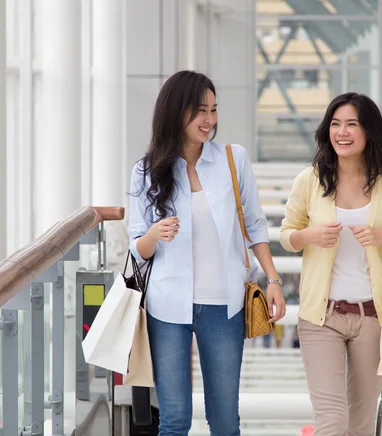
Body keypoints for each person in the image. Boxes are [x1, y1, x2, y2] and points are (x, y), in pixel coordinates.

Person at [128, 70, 286, 436]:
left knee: (226, 421)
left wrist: (273, 279)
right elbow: (137, 248)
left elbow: (256, 227)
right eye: (201, 111)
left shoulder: (234, 159)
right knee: (174, 420)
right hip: (166, 306)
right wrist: (154, 234)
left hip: (224, 305)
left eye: (214, 110)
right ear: (175, 112)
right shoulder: (146, 170)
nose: (210, 120)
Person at [279, 92, 382, 435]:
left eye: (351, 125)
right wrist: (309, 236)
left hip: (372, 318)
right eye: (335, 124)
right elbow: (287, 235)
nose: (342, 132)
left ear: (369, 132)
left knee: (360, 423)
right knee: (332, 421)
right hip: (321, 316)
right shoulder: (309, 180)